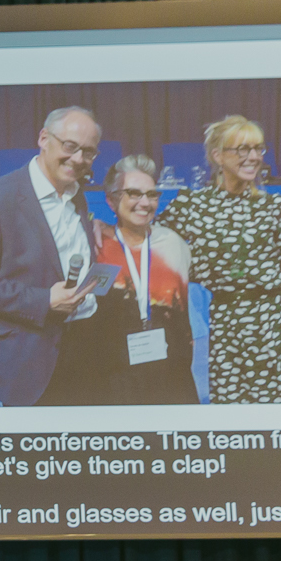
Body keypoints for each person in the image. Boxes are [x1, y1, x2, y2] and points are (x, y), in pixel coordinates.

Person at [157, 115, 281, 404]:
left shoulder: (273, 205)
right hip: (231, 325)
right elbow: (150, 242)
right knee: (239, 416)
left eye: (258, 149)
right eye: (242, 149)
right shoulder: (193, 205)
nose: (253, 157)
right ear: (217, 156)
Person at [0, 106, 105, 405]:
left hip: (82, 343)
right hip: (26, 350)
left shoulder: (76, 193)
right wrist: (43, 300)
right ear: (44, 138)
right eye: (70, 147)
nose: (78, 159)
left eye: (89, 152)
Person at [70, 154, 198, 405]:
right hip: (110, 375)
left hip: (171, 372)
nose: (145, 203)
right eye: (134, 193)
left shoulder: (172, 244)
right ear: (111, 200)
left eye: (152, 194)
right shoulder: (95, 245)